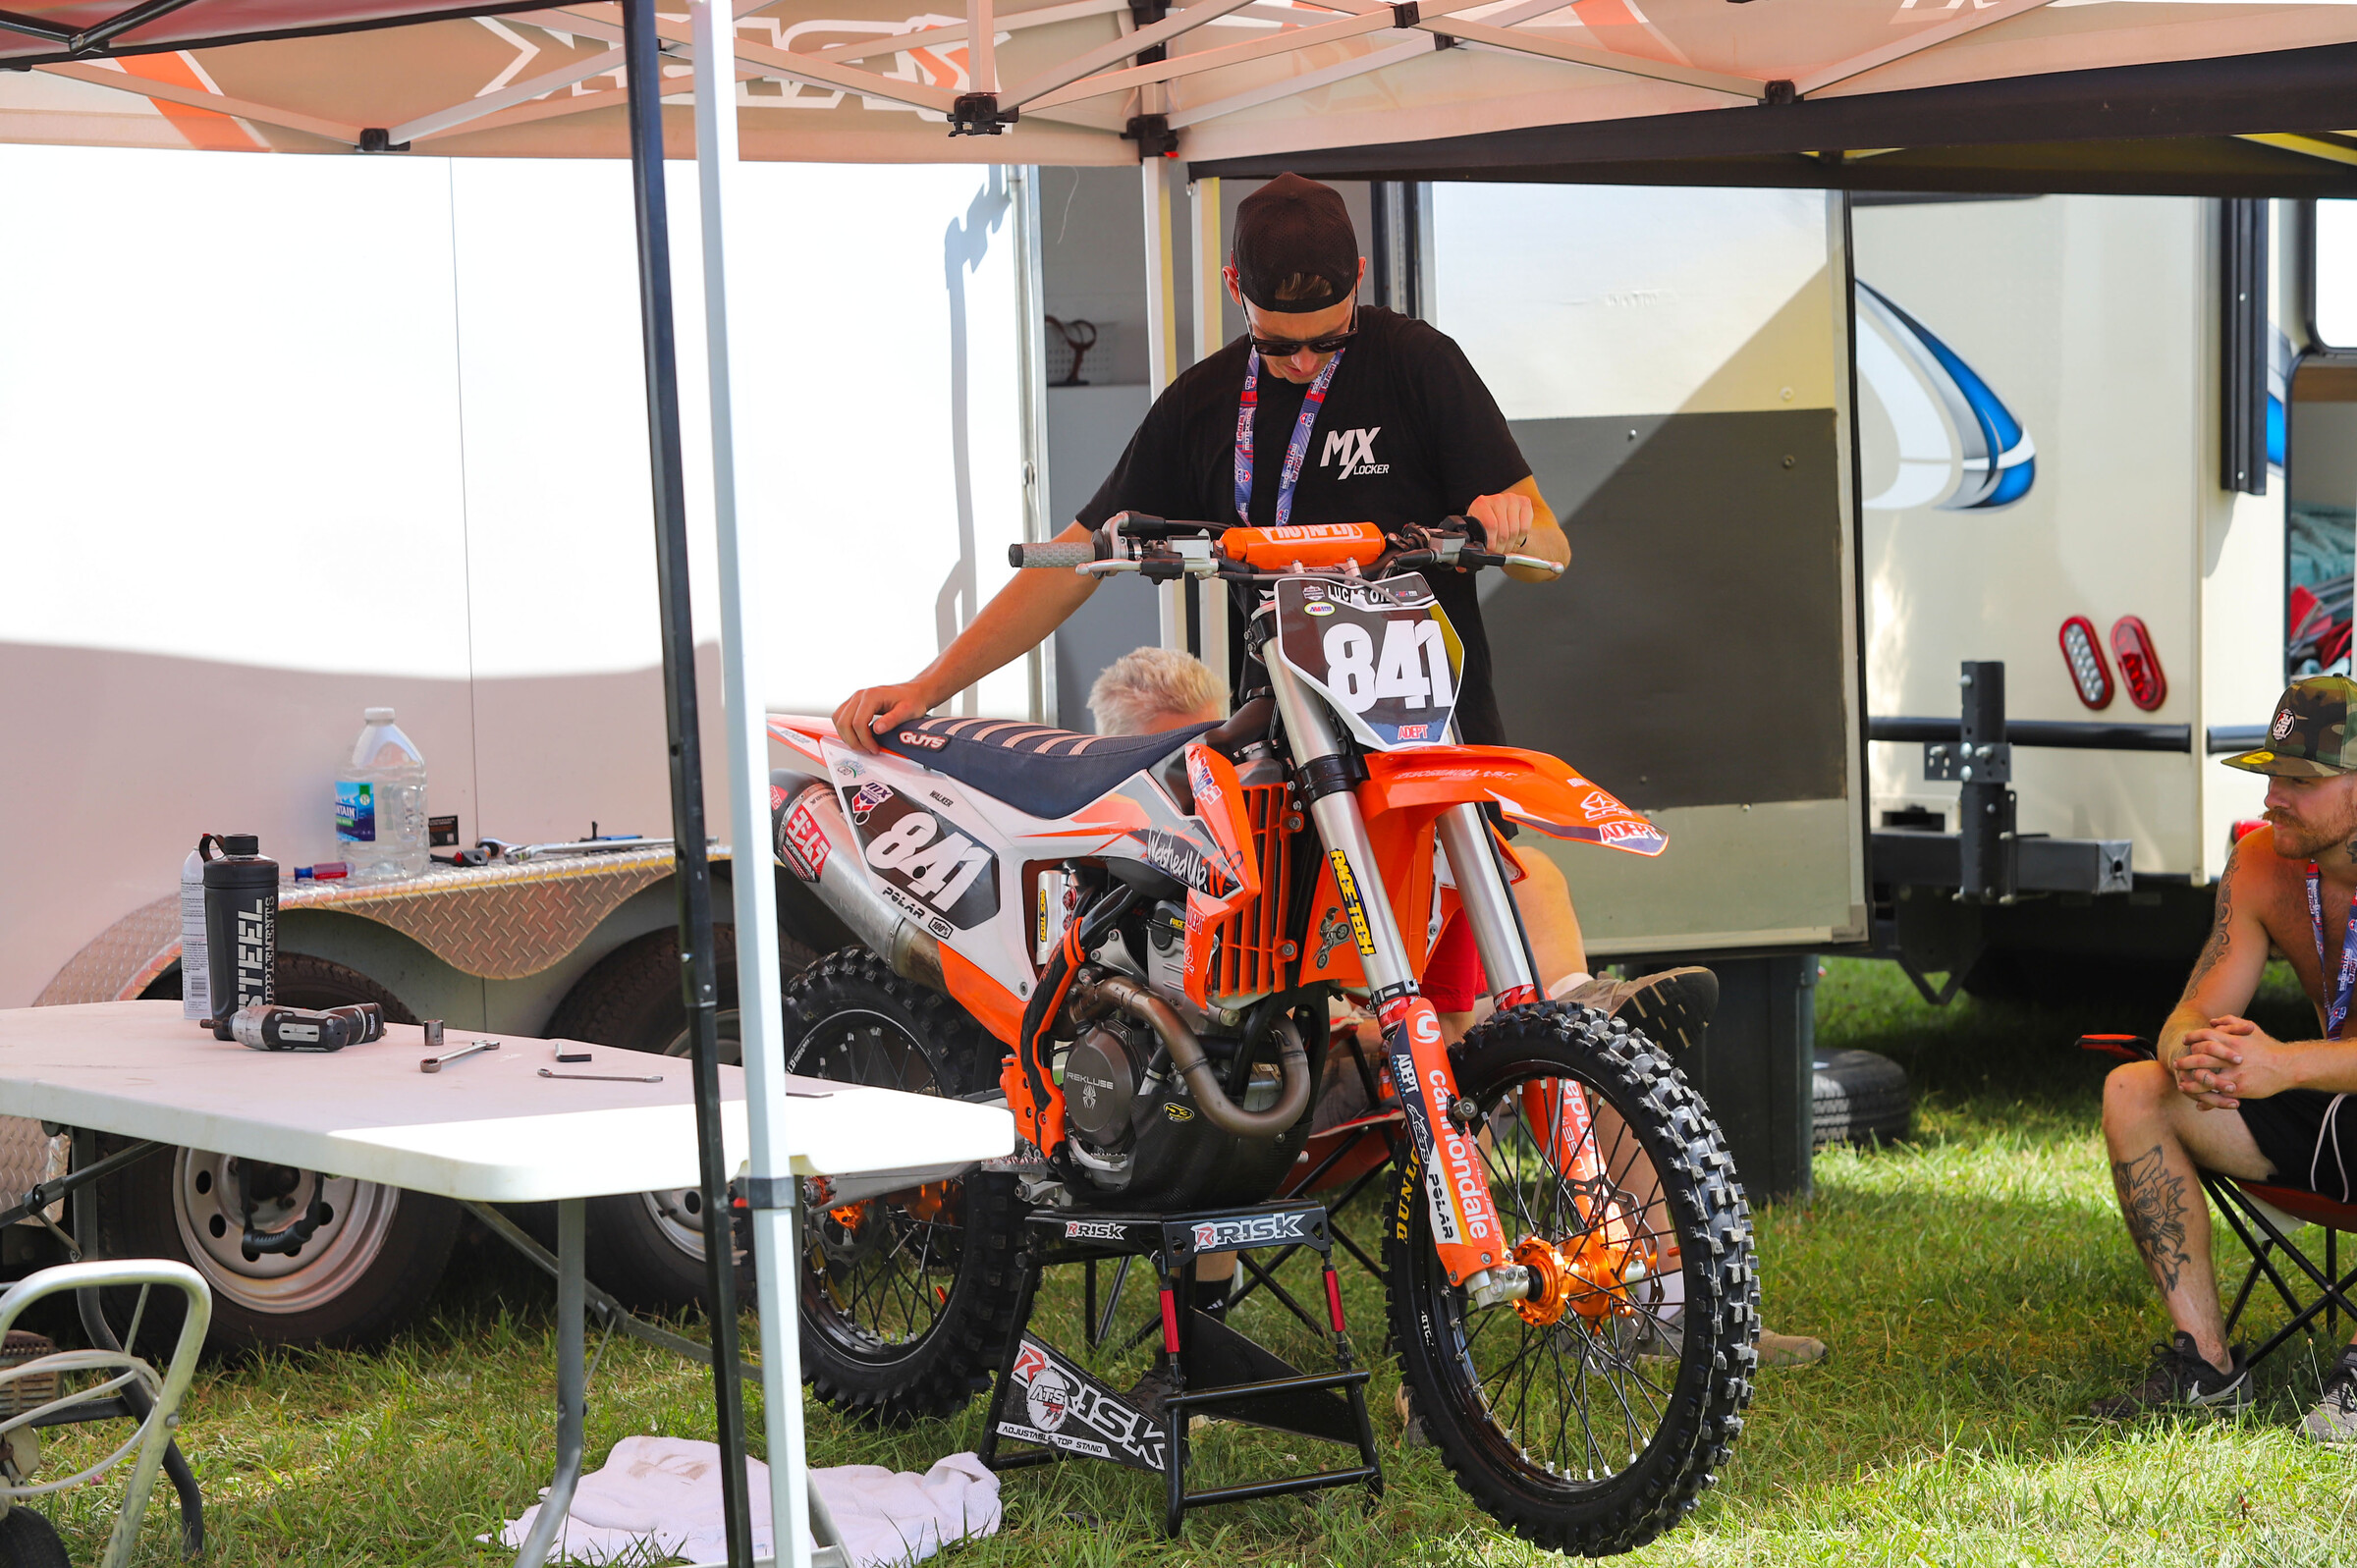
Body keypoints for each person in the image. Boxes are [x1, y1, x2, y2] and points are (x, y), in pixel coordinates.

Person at [836, 171, 1711, 1052]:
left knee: (1524, 932)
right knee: (1362, 1014)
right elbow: (1075, 559)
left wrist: (1508, 528)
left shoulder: (1418, 364)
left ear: (1361, 277)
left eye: (1327, 344)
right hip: (1296, 750)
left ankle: (1590, 1043)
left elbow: (1548, 547)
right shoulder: (1204, 404)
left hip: (1427, 737)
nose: (1301, 365)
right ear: (1233, 292)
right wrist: (929, 683)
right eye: (1278, 344)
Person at [2095, 675, 2357, 1437]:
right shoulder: (2261, 864)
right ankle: (2207, 1367)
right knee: (2134, 1089)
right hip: (2327, 1116)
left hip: (2321, 1086)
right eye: (2271, 772)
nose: (2275, 795)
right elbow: (2198, 1006)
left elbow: (2288, 1065)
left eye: (2299, 779)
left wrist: (2285, 1065)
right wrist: (2186, 1048)